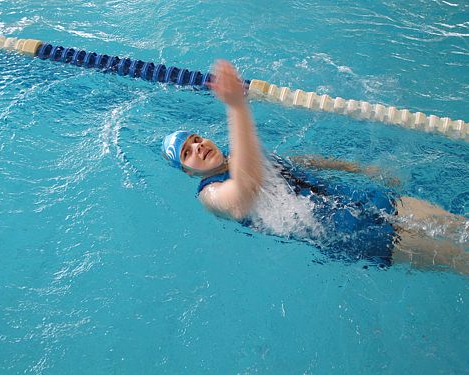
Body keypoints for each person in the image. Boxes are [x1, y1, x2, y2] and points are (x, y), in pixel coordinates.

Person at [162, 60, 468, 273]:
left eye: (196, 139)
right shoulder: (210, 195)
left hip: (358, 197)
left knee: (456, 223)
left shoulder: (239, 154)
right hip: (347, 232)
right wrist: (236, 106)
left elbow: (301, 163)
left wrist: (358, 169)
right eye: (188, 152)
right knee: (460, 259)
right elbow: (244, 191)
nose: (199, 147)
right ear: (189, 173)